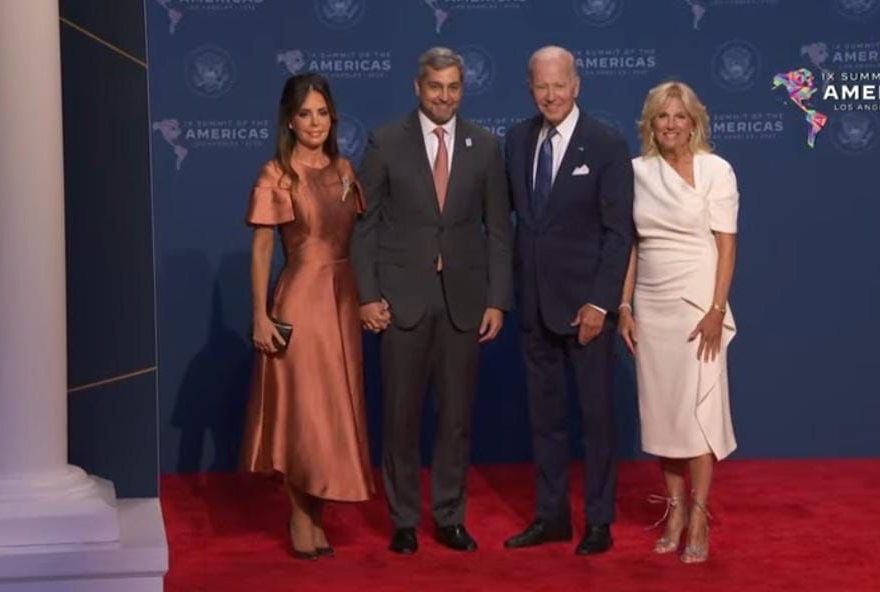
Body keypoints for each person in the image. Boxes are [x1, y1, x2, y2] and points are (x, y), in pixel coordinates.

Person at [350, 47, 512, 555]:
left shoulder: (484, 144)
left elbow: (500, 230)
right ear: (418, 88)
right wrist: (368, 295)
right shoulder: (385, 142)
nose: (445, 97)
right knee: (400, 414)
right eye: (436, 87)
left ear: (463, 90)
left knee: (456, 418)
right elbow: (364, 225)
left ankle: (448, 516)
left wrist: (497, 300)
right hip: (401, 301)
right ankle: (402, 519)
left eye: (454, 88)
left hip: (464, 301)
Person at [503, 46, 634, 556]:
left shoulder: (605, 143)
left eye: (560, 84)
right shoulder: (515, 141)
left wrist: (601, 305)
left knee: (597, 421)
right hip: (534, 307)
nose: (551, 95)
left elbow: (618, 233)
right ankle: (552, 516)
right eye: (541, 85)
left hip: (586, 314)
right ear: (530, 88)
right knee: (546, 421)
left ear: (576, 84)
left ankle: (599, 521)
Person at [239, 73, 374, 560]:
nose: (314, 122)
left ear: (332, 117)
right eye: (304, 114)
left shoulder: (344, 168)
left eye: (321, 112)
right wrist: (260, 314)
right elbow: (259, 251)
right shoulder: (276, 173)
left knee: (334, 413)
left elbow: (361, 240)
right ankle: (299, 515)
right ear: (289, 121)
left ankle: (316, 516)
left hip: (342, 299)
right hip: (299, 299)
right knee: (303, 414)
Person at [617, 80, 739, 563]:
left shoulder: (717, 170)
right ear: (651, 122)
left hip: (698, 306)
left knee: (697, 415)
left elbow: (727, 245)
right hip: (652, 306)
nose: (670, 124)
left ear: (694, 122)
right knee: (666, 414)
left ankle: (700, 514)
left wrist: (715, 309)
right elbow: (631, 244)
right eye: (662, 116)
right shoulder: (635, 173)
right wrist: (624, 306)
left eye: (679, 116)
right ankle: (673, 511)